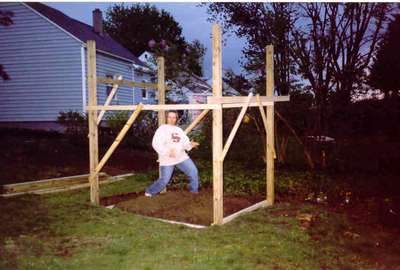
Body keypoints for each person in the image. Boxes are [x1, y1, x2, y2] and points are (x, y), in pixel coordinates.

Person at [145, 110, 200, 197]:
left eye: (174, 117)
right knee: (165, 180)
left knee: (193, 172)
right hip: (168, 159)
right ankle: (149, 192)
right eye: (169, 117)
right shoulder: (162, 129)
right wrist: (167, 151)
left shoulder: (179, 130)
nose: (171, 119)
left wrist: (190, 145)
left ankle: (194, 193)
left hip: (181, 157)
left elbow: (184, 143)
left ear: (176, 119)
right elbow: (156, 143)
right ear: (167, 118)